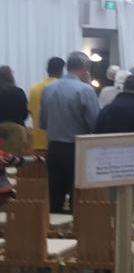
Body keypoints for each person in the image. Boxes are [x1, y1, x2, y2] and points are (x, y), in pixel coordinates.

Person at [40, 51, 100, 211]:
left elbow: (43, 122)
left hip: (53, 147)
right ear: (85, 68)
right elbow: (95, 124)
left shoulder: (48, 89)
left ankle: (52, 232)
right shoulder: (85, 90)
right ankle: (76, 232)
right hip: (76, 148)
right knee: (78, 197)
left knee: (55, 195)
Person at [29, 56, 65, 151]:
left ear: (47, 70)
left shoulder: (34, 88)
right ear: (62, 71)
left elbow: (31, 112)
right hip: (57, 141)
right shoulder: (63, 88)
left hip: (37, 140)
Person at [0, 66, 29, 154]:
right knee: (14, 162)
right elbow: (25, 114)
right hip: (17, 133)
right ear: (11, 77)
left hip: (1, 133)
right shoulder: (19, 92)